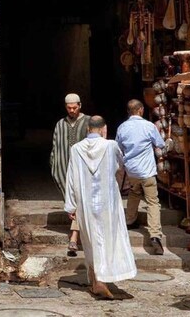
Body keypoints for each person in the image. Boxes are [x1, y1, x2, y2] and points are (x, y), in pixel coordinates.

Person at [65, 115, 137, 299]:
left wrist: (71, 205)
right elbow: (121, 165)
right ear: (103, 129)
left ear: (88, 129)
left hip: (86, 203)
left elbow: (71, 178)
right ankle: (100, 280)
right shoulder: (111, 145)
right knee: (107, 240)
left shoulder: (76, 149)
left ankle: (97, 279)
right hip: (108, 203)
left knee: (90, 242)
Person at [116, 98, 165, 255]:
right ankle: (155, 235)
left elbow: (119, 148)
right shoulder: (149, 126)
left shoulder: (122, 127)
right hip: (147, 171)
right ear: (141, 110)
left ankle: (130, 220)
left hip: (132, 171)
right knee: (152, 201)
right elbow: (161, 144)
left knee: (134, 193)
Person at [50, 93, 91, 256]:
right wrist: (55, 165)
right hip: (65, 170)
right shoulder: (60, 124)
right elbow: (56, 146)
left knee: (79, 203)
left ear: (80, 105)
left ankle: (74, 237)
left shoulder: (88, 122)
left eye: (75, 107)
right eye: (69, 108)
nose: (72, 110)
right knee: (74, 203)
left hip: (84, 171)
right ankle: (77, 235)